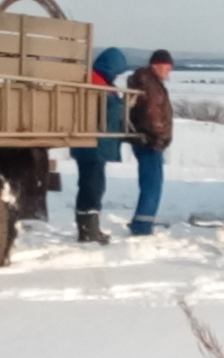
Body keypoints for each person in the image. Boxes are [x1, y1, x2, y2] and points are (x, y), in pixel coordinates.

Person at [73, 47, 129, 244]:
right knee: (92, 186)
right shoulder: (97, 85)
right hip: (93, 144)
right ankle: (88, 231)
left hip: (92, 144)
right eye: (117, 71)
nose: (117, 75)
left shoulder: (97, 80)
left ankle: (88, 228)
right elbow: (105, 113)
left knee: (91, 185)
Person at [125, 49, 174, 235]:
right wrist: (160, 136)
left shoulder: (144, 81)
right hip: (150, 140)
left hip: (143, 138)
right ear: (157, 65)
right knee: (152, 184)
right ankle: (143, 225)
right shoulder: (150, 85)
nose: (168, 73)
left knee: (149, 183)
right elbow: (153, 113)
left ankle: (141, 221)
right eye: (166, 68)